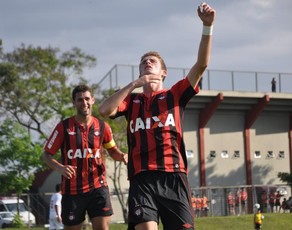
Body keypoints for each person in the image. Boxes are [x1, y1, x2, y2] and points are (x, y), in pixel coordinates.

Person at [98, 3, 215, 229]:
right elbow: (104, 111)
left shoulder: (175, 94)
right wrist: (134, 84)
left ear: (163, 72)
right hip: (142, 177)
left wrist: (207, 27)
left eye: (153, 61)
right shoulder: (131, 100)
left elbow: (201, 65)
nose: (147, 63)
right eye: (143, 63)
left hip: (173, 175)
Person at [42, 84, 128, 230]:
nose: (84, 103)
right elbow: (46, 155)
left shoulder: (103, 127)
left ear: (93, 100)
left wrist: (123, 156)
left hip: (98, 188)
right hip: (72, 191)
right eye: (80, 100)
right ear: (74, 102)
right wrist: (60, 168)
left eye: (87, 99)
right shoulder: (63, 127)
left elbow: (112, 151)